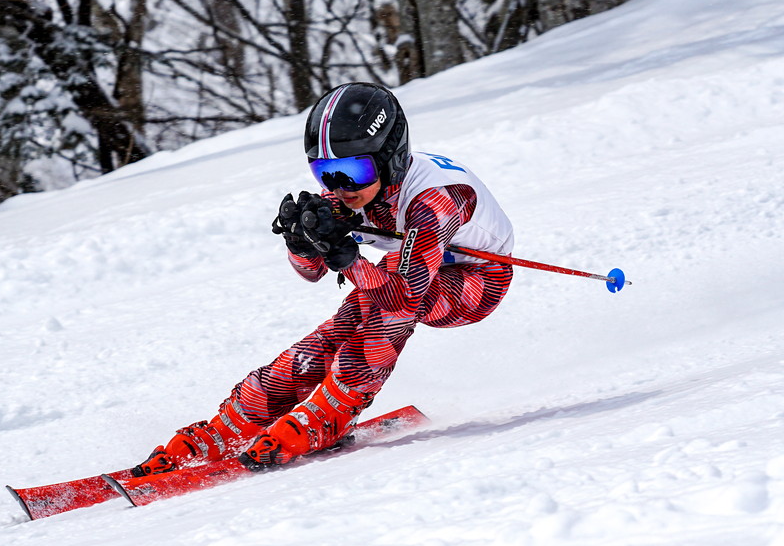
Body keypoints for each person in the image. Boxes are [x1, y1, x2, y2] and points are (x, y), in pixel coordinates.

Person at [132, 81, 515, 476]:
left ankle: (332, 412)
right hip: (403, 274)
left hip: (475, 280)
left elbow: (404, 299)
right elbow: (309, 274)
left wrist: (346, 257)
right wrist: (302, 244)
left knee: (385, 311)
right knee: (338, 330)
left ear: (391, 159)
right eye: (325, 171)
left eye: (354, 170)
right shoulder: (344, 192)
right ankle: (233, 424)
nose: (339, 186)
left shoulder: (437, 199)